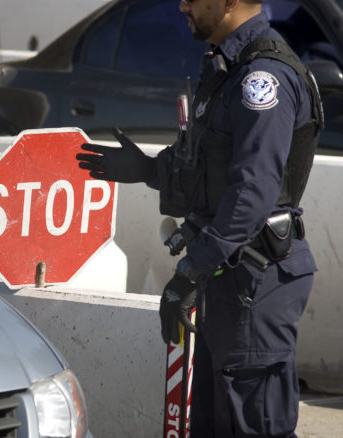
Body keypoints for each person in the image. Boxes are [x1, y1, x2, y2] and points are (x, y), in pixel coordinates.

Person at [76, 0, 322, 436]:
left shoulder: (261, 78)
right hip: (229, 276)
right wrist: (147, 169)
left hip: (254, 281)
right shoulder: (228, 67)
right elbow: (208, 170)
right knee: (212, 423)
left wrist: (191, 270)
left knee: (253, 425)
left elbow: (253, 193)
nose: (182, 5)